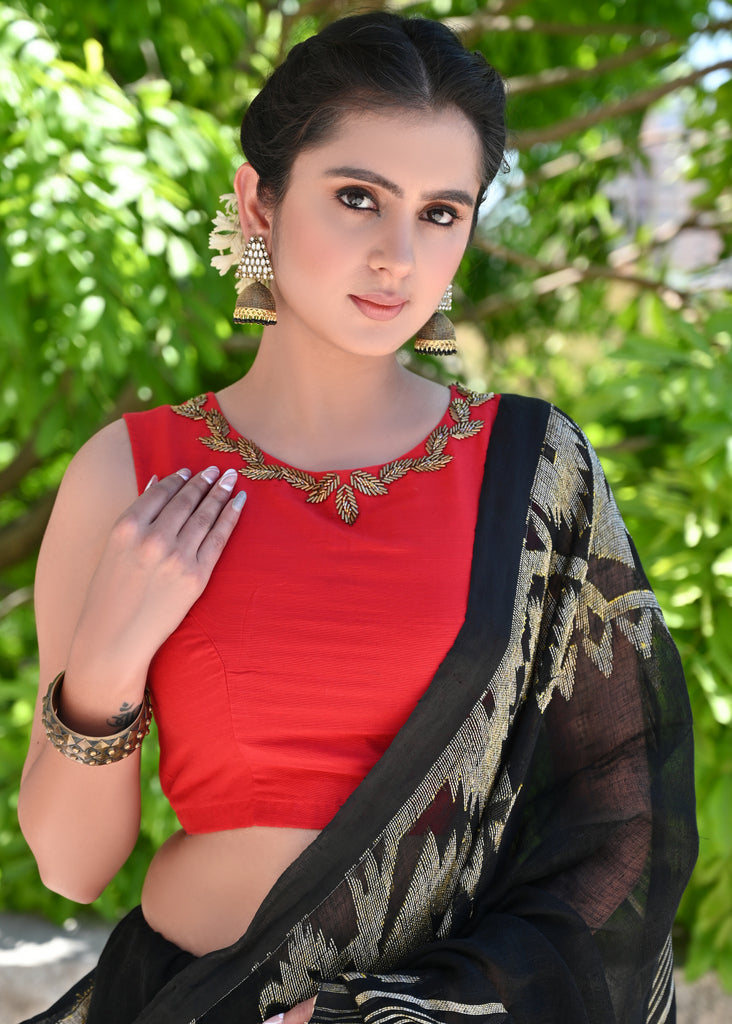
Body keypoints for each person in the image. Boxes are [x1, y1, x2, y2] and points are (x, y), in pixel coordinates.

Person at [17, 11, 697, 1024]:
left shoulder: (531, 471)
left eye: (438, 213)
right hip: (194, 1001)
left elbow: (614, 826)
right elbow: (73, 869)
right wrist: (106, 669)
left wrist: (398, 1012)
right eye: (356, 198)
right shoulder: (132, 475)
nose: (396, 255)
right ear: (259, 199)